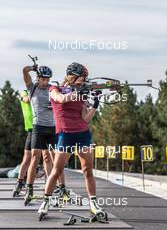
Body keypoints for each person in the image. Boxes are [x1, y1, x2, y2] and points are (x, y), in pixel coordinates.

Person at [38, 62, 107, 221]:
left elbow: (85, 118)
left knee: (88, 171)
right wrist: (76, 93)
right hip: (65, 135)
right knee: (56, 171)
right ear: (72, 76)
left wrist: (95, 105)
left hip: (82, 134)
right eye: (81, 78)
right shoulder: (55, 89)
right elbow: (60, 99)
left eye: (84, 79)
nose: (83, 81)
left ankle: (93, 204)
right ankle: (46, 202)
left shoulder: (82, 94)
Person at [23, 65, 65, 205]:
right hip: (38, 127)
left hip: (53, 128)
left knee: (56, 159)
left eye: (48, 80)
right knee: (35, 158)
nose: (46, 82)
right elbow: (25, 71)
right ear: (38, 78)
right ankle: (29, 188)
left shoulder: (52, 89)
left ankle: (61, 188)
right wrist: (32, 67)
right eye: (43, 79)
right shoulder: (32, 88)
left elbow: (64, 88)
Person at [13, 90, 33, 197]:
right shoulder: (24, 92)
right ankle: (19, 182)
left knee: (47, 158)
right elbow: (26, 99)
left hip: (44, 127)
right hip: (31, 129)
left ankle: (55, 186)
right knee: (27, 158)